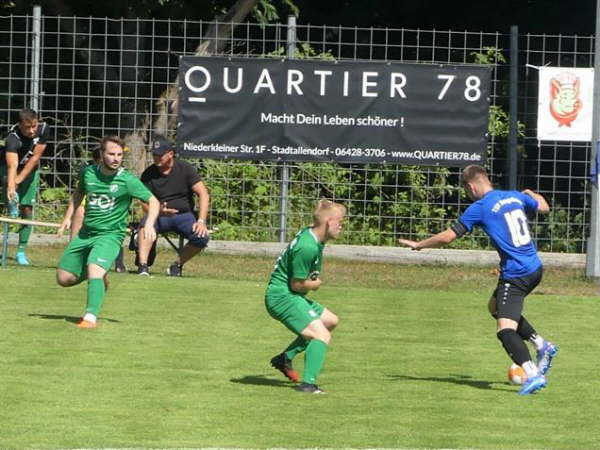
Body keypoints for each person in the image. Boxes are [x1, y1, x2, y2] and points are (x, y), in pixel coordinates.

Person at [398, 164, 558, 395]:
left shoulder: (481, 207)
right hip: (535, 269)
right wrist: (530, 193)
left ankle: (532, 374)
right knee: (494, 307)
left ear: (471, 186)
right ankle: (542, 345)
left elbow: (449, 237)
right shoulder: (513, 196)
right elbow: (544, 207)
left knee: (504, 330)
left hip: (516, 274)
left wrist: (420, 244)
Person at [56, 135, 160, 328]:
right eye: (111, 154)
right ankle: (99, 274)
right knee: (63, 278)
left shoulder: (127, 180)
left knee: (94, 269)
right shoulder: (88, 173)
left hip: (110, 235)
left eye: (119, 155)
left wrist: (149, 224)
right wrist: (67, 218)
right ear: (101, 154)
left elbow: (153, 201)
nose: (116, 158)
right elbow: (79, 193)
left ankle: (90, 317)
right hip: (86, 234)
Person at [266, 199, 346, 394]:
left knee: (330, 321)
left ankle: (285, 357)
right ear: (329, 223)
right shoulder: (307, 247)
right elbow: (298, 285)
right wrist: (314, 285)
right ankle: (308, 384)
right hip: (283, 297)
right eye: (340, 222)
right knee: (321, 335)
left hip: (289, 294)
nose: (342, 226)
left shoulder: (314, 235)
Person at [136, 135, 210, 277]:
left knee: (202, 237)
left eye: (160, 155)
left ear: (170, 154)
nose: (156, 158)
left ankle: (176, 265)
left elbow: (203, 194)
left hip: (184, 216)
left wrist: (201, 221)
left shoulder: (185, 168)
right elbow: (143, 203)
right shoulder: (148, 174)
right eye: (154, 155)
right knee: (145, 226)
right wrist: (158, 211)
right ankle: (143, 266)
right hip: (158, 215)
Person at [58, 147, 127, 272]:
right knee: (80, 211)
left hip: (109, 217)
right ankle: (75, 258)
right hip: (87, 212)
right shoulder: (88, 174)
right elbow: (77, 196)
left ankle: (117, 263)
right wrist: (67, 218)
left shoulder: (120, 176)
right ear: (96, 161)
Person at [0, 108, 50, 265]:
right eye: (27, 127)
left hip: (29, 170)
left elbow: (35, 157)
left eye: (34, 126)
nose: (32, 130)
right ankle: (4, 248)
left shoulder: (43, 129)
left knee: (27, 208)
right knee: (8, 206)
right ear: (20, 125)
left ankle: (21, 252)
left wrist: (20, 180)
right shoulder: (12, 139)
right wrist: (11, 185)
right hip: (8, 169)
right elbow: (12, 166)